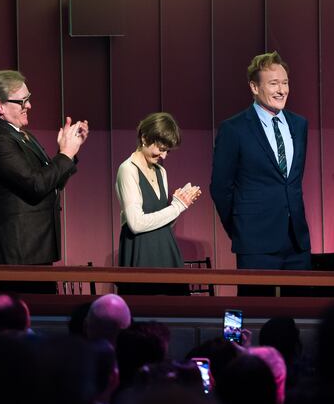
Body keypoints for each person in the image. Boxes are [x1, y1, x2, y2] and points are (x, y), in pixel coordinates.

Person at [0, 70, 88, 293]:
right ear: (0, 106)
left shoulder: (22, 135)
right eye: (22, 101)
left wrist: (69, 152)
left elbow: (52, 184)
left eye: (28, 99)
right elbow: (35, 185)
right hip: (18, 252)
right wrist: (65, 155)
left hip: (34, 249)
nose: (29, 105)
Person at [210, 51, 311, 296]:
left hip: (296, 240)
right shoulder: (234, 129)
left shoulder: (299, 124)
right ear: (254, 87)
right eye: (274, 83)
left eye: (285, 83)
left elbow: (293, 180)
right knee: (255, 309)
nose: (282, 90)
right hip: (254, 240)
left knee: (300, 309)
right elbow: (220, 187)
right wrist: (240, 228)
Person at [115, 112, 200, 295]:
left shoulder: (161, 171)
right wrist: (176, 207)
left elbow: (163, 224)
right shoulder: (128, 170)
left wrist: (180, 204)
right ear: (145, 138)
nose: (164, 156)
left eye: (167, 151)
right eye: (161, 149)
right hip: (141, 252)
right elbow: (136, 223)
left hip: (165, 251)